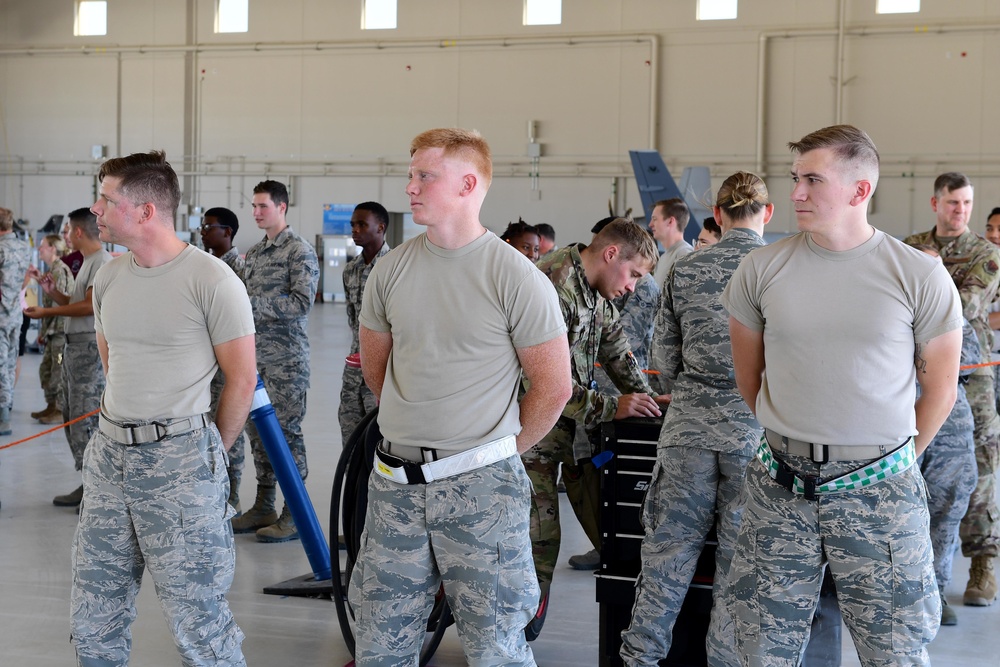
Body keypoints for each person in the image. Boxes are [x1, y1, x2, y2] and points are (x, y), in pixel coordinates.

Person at [722, 125, 962, 666]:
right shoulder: (760, 269)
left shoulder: (919, 276)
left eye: (813, 180)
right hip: (780, 488)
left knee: (894, 651)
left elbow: (940, 390)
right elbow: (750, 380)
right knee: (758, 648)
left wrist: (889, 462)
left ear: (859, 191)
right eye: (795, 179)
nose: (796, 194)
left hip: (881, 494)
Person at [349, 128, 571, 666]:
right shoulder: (391, 269)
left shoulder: (516, 277)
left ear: (469, 184)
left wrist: (491, 454)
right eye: (411, 174)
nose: (410, 187)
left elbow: (553, 387)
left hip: (482, 493)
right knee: (379, 644)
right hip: (396, 486)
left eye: (425, 176)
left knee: (495, 648)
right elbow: (379, 373)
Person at [71, 150, 256, 666]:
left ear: (146, 211)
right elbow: (114, 364)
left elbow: (241, 380)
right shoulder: (108, 278)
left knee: (198, 618)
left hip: (180, 460)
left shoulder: (212, 281)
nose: (96, 209)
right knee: (94, 609)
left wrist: (203, 454)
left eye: (107, 200)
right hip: (109, 457)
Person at [620, 171, 772, 666]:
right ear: (767, 213)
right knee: (737, 564)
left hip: (685, 431)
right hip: (753, 438)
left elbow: (663, 367)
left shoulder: (684, 269)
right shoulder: (777, 270)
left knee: (665, 556)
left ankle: (640, 659)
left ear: (718, 217)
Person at [524, 218, 667, 597]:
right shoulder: (553, 287)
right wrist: (612, 407)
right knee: (540, 541)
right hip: (531, 439)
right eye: (633, 274)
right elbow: (541, 386)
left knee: (612, 529)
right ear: (611, 254)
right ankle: (515, 634)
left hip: (573, 437)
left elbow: (618, 352)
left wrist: (649, 400)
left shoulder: (594, 293)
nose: (631, 287)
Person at [905, 173, 1000, 607]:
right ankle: (921, 575)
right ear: (935, 203)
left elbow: (971, 310)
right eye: (953, 203)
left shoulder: (986, 254)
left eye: (966, 203)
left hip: (970, 380)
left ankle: (982, 562)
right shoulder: (909, 246)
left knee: (975, 473)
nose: (960, 210)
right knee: (916, 468)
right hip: (911, 375)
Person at [231, 179, 319, 542]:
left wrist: (248, 309)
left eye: (262, 206)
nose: (255, 212)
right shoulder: (256, 253)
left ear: (282, 207)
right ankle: (264, 504)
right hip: (255, 360)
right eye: (253, 206)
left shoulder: (299, 251)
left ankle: (294, 514)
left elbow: (301, 303)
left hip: (286, 362)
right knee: (258, 436)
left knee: (287, 437)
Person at [25, 208, 112, 508]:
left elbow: (88, 308)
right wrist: (51, 293)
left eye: (66, 232)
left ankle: (98, 489)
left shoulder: (101, 261)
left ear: (77, 232)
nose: (63, 238)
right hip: (75, 349)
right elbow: (76, 303)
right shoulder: (88, 262)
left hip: (88, 350)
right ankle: (88, 481)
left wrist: (47, 311)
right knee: (71, 417)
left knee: (84, 421)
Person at [911, 244, 979, 626]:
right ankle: (902, 590)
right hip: (900, 417)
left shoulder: (952, 310)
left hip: (950, 424)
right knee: (901, 506)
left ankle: (936, 590)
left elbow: (969, 354)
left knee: (948, 507)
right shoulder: (892, 305)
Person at [200, 206, 248, 513]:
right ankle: (221, 494)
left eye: (209, 227)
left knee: (233, 433)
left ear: (227, 232)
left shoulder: (237, 270)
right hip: (208, 367)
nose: (203, 233)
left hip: (230, 363)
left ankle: (231, 497)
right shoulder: (205, 267)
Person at [338, 201, 390, 447]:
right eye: (352, 225)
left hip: (386, 369)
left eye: (362, 224)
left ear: (380, 228)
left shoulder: (395, 267)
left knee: (380, 440)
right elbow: (352, 318)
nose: (355, 230)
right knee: (350, 437)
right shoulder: (350, 270)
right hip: (354, 368)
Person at [26, 234, 75, 424]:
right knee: (47, 370)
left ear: (53, 248)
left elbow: (60, 304)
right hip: (52, 329)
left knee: (57, 371)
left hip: (60, 329)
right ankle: (51, 405)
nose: (39, 250)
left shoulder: (59, 270)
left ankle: (59, 409)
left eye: (43, 246)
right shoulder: (52, 270)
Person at [0, 206, 30, 436]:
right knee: (10, 364)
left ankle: (3, 418)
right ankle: (6, 408)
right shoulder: (23, 247)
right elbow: (22, 282)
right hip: (15, 315)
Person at [648, 197, 692, 288]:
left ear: (670, 221)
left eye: (655, 219)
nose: (650, 224)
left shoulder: (684, 255)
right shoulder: (664, 257)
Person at [200, 206, 244, 272]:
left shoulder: (240, 269)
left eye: (208, 227)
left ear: (227, 232)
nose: (202, 232)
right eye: (202, 227)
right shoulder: (205, 262)